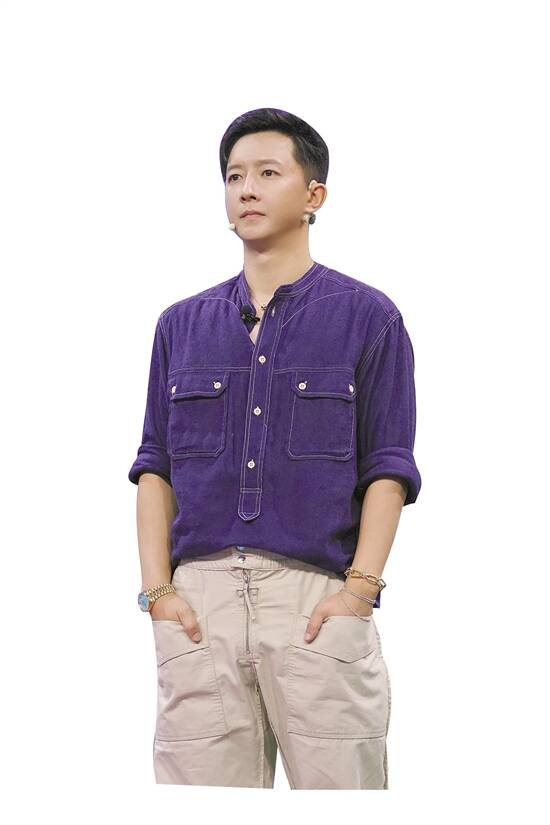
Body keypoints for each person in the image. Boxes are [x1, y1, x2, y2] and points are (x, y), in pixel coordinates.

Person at [128, 107, 422, 789]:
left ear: (314, 194)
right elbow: (155, 466)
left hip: (316, 600)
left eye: (267, 173)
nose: (247, 190)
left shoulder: (368, 317)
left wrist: (360, 590)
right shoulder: (181, 325)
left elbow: (388, 465)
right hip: (199, 606)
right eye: (234, 177)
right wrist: (158, 592)